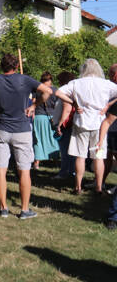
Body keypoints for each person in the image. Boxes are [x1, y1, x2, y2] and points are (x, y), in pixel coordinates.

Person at [0, 53, 73, 219]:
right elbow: (48, 91)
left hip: (1, 130)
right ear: (16, 66)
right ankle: (24, 210)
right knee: (24, 170)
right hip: (22, 131)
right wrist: (34, 105)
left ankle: (3, 208)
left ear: (1, 66)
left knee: (0, 169)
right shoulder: (24, 79)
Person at [56, 59, 117, 194]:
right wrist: (108, 104)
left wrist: (74, 103)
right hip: (99, 123)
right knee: (99, 156)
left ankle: (78, 187)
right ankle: (99, 187)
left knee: (80, 156)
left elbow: (58, 93)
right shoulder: (106, 84)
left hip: (81, 122)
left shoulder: (76, 83)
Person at [32, 71, 60, 169]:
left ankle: (37, 162)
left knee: (38, 139)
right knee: (53, 139)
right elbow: (58, 105)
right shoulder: (55, 90)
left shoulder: (37, 90)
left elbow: (33, 103)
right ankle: (56, 161)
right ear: (50, 80)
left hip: (39, 117)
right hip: (52, 118)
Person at [52, 71, 76, 180]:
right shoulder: (73, 93)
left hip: (65, 126)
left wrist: (59, 125)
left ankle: (64, 172)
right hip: (71, 125)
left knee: (65, 151)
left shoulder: (65, 94)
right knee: (71, 151)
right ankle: (71, 171)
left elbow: (67, 109)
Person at [101, 64, 117, 193]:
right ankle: (100, 182)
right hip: (111, 128)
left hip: (113, 125)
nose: (109, 76)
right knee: (107, 157)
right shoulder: (109, 87)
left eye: (111, 74)